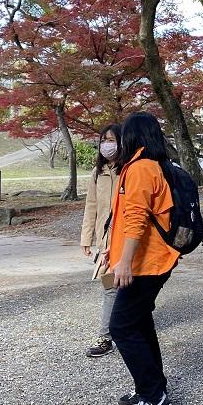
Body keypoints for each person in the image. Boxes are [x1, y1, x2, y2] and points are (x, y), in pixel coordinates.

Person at [106, 112, 180, 405]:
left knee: (121, 327)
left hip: (145, 263)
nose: (117, 143)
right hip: (152, 259)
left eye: (122, 136)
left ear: (133, 137)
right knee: (140, 322)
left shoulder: (140, 169)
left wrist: (124, 262)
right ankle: (151, 386)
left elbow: (136, 218)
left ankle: (154, 397)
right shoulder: (151, 165)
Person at [80, 123, 122, 357]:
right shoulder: (98, 172)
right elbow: (91, 206)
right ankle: (106, 337)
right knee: (109, 288)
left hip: (126, 239)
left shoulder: (128, 170)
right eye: (104, 140)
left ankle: (130, 325)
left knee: (128, 287)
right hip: (105, 241)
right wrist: (87, 238)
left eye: (112, 139)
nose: (108, 144)